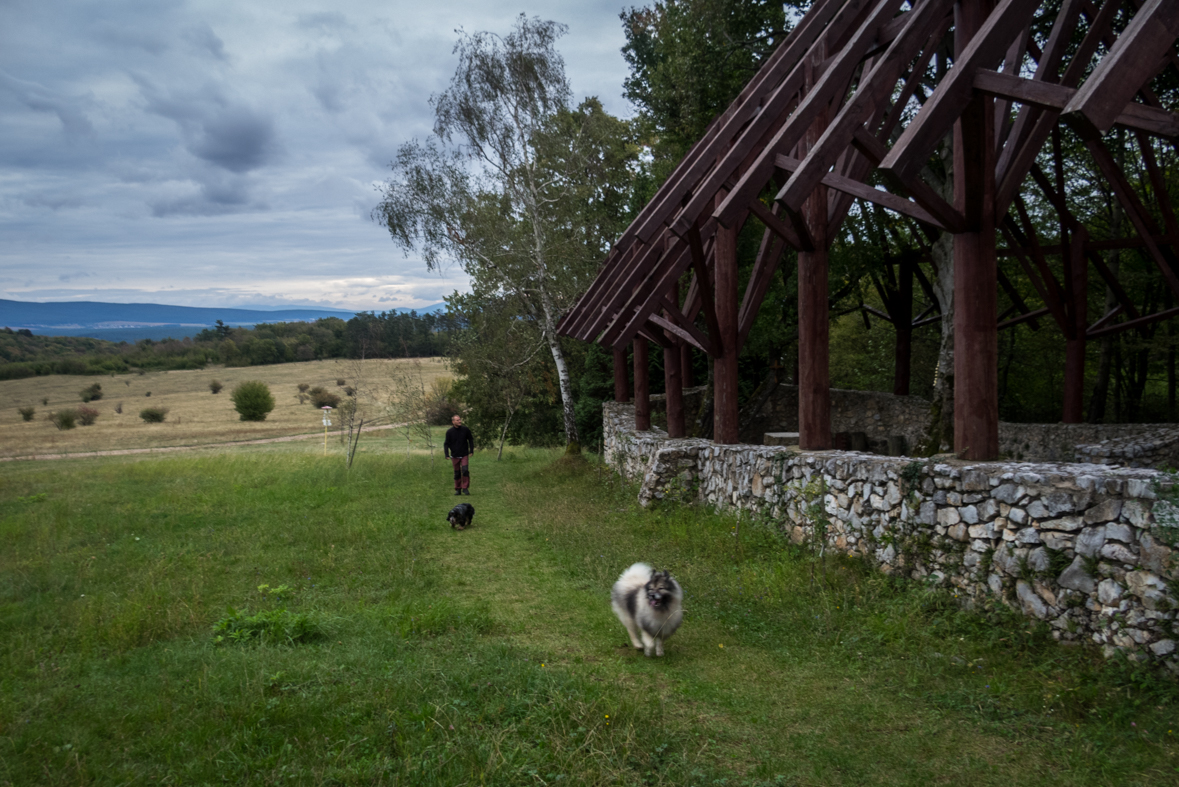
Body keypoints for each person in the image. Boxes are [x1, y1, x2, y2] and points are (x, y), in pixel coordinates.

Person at [443, 414, 475, 495]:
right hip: (454, 455)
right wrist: (446, 454)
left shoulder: (465, 429)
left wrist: (471, 450)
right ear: (453, 422)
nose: (460, 421)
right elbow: (446, 443)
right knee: (457, 472)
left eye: (460, 419)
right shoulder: (449, 432)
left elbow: (470, 439)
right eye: (457, 420)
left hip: (464, 454)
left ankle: (465, 488)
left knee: (465, 470)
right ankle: (458, 489)